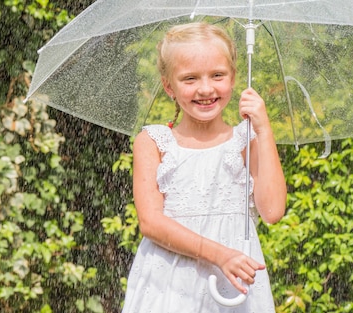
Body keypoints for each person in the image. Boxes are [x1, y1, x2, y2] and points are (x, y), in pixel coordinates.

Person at [121, 22, 287, 312]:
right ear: (168, 85)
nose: (206, 88)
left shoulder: (245, 141)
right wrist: (219, 254)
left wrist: (263, 129)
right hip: (169, 284)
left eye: (217, 75)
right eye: (190, 79)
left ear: (234, 77)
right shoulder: (153, 143)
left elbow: (272, 211)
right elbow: (151, 222)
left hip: (233, 285)